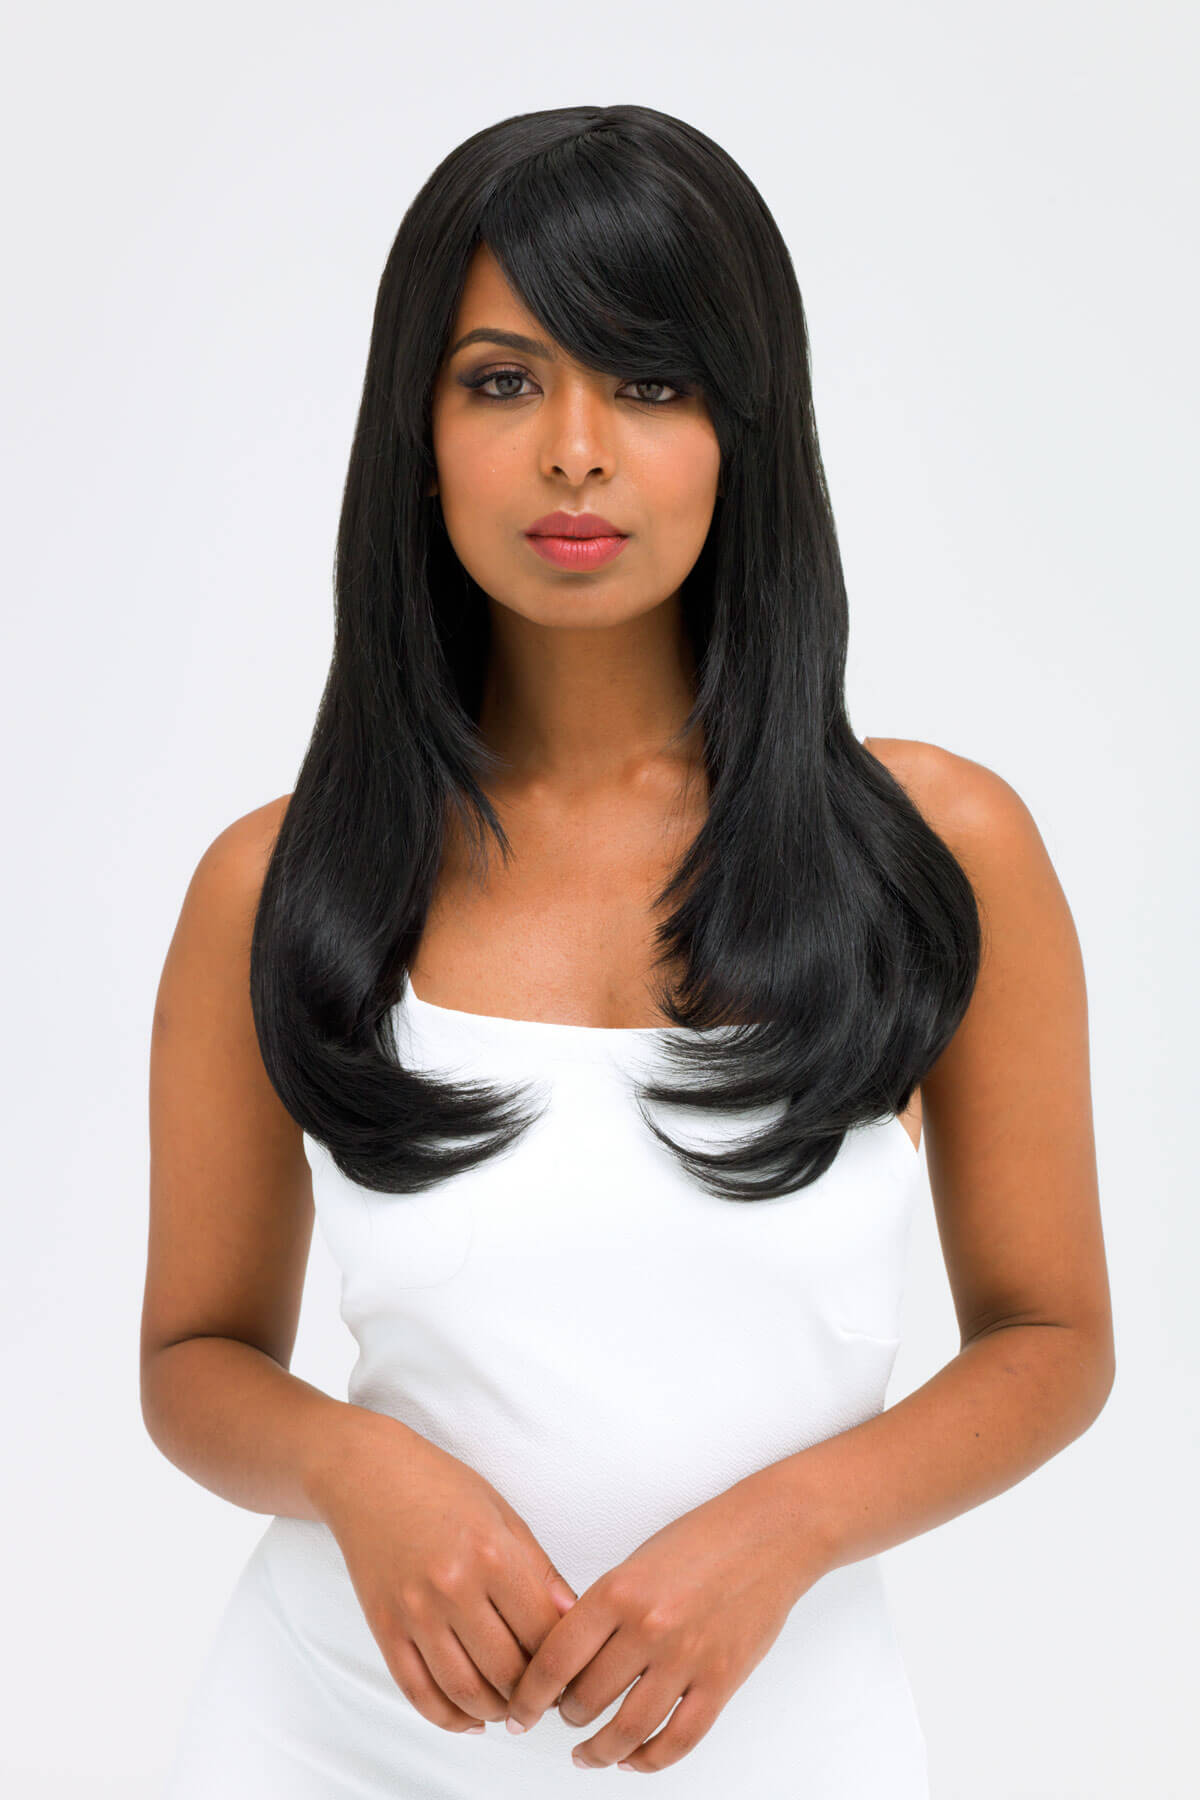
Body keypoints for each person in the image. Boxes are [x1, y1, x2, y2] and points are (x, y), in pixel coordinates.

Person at [142, 104, 1115, 1798]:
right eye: (504, 380)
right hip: (320, 1741)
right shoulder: (278, 878)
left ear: (748, 429)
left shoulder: (938, 852)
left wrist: (787, 1529)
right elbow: (191, 1361)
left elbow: (1051, 1336)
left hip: (782, 1744)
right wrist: (360, 1473)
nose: (575, 448)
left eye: (651, 382)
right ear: (417, 430)